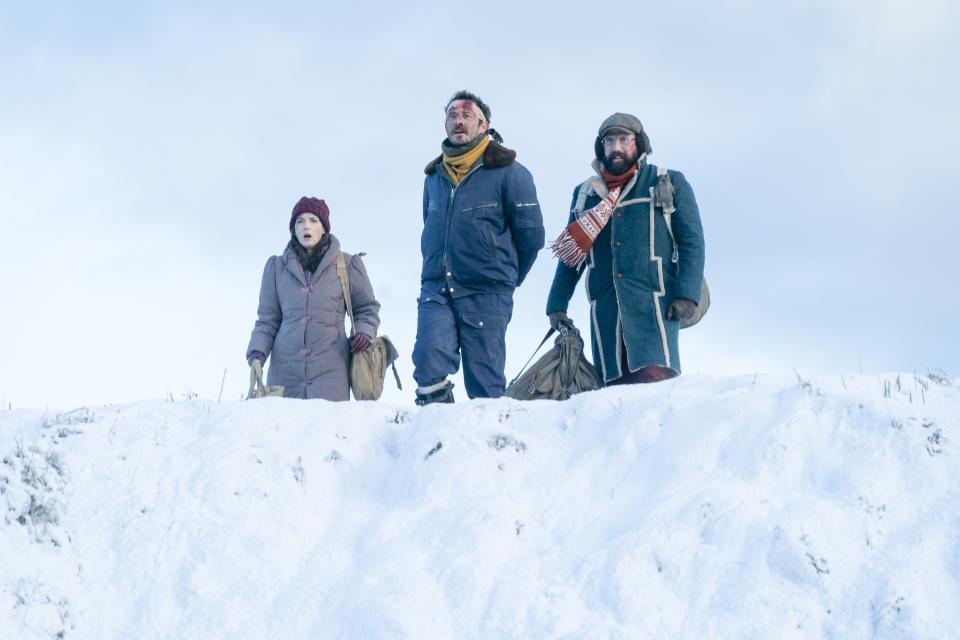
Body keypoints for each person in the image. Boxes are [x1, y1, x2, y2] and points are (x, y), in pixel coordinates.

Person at [546, 113, 705, 385]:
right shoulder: (587, 193)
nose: (616, 147)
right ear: (601, 147)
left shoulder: (667, 181)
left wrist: (687, 295)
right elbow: (573, 254)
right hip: (606, 311)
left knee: (654, 390)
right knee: (611, 397)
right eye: (609, 141)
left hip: (654, 308)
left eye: (624, 139)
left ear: (639, 144)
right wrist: (557, 304)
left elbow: (692, 242)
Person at [412, 90, 545, 404]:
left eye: (467, 116)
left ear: (484, 125)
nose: (459, 121)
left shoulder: (511, 172)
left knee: (484, 386)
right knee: (427, 361)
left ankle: (488, 448)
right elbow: (431, 227)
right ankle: (438, 437)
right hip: (437, 286)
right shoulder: (434, 177)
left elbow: (532, 238)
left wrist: (504, 277)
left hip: (487, 291)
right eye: (452, 115)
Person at [246, 196, 381, 400]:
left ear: (324, 227)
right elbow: (267, 319)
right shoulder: (275, 268)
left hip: (332, 373)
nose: (306, 226)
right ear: (293, 229)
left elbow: (366, 309)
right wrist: (257, 352)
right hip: (284, 375)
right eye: (300, 221)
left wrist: (364, 332)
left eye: (313, 220)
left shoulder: (348, 264)